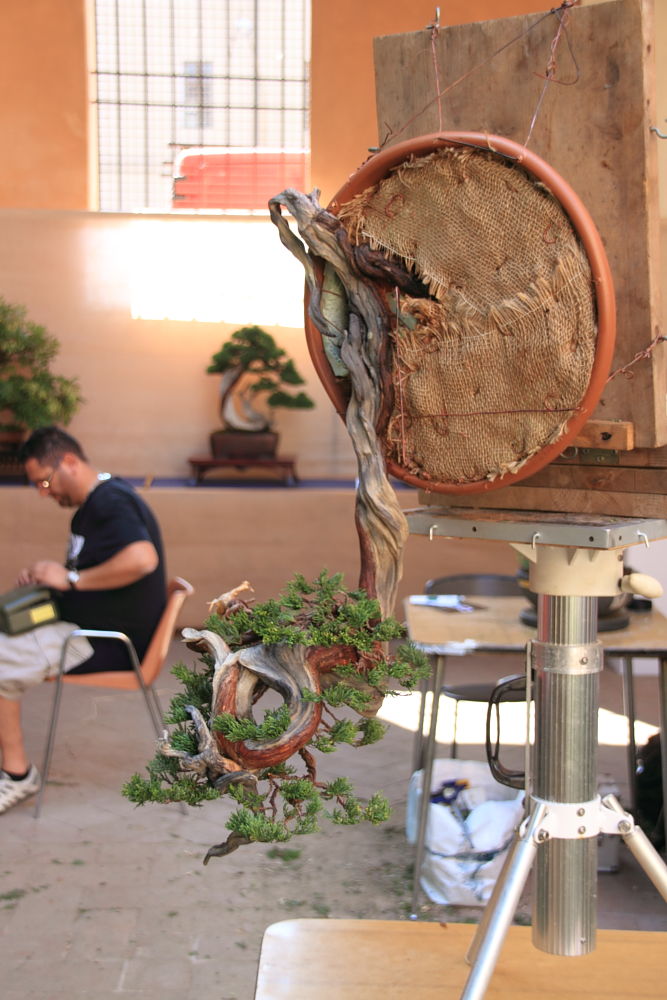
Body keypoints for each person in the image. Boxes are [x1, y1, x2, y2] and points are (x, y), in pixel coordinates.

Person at [0, 426, 166, 814]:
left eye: (44, 481)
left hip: (107, 642)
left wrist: (72, 580)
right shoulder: (96, 505)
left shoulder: (110, 501)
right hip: (87, 629)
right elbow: (87, 572)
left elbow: (143, 559)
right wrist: (53, 575)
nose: (43, 493)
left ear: (70, 462)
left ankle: (17, 774)